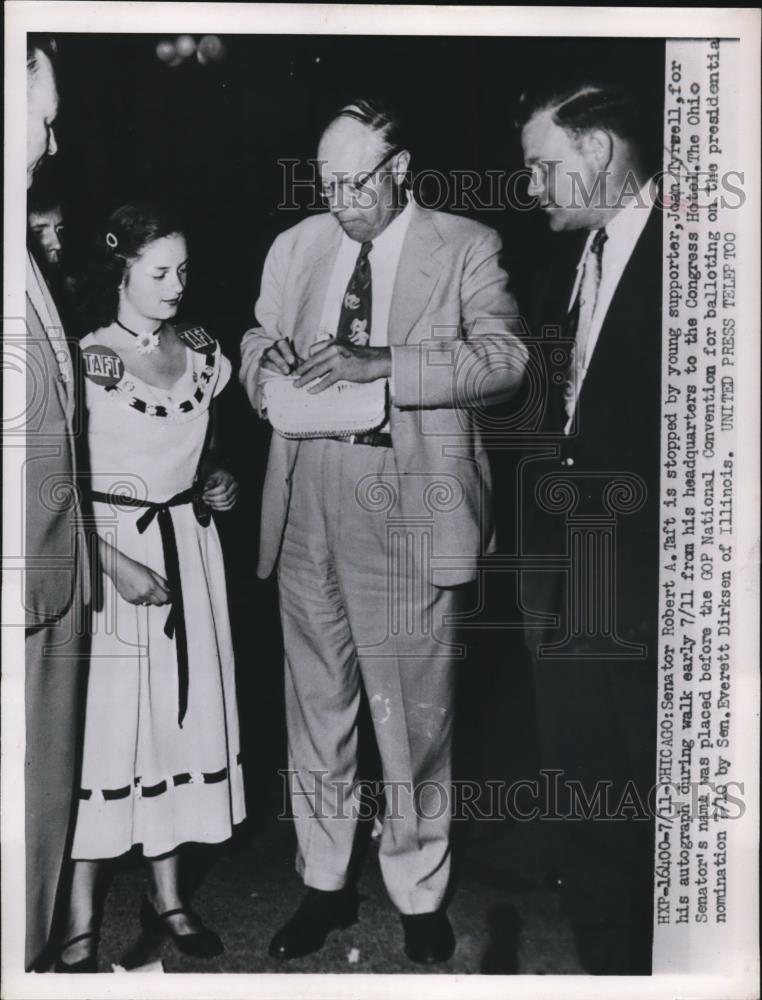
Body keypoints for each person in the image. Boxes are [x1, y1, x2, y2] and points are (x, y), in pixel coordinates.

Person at [240, 98, 527, 965]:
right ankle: (324, 884)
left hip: (403, 494)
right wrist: (268, 369)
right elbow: (254, 337)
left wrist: (386, 367)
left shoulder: (465, 245)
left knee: (412, 716)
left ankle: (418, 887)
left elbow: (507, 363)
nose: (340, 198)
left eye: (357, 180)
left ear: (401, 170)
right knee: (315, 706)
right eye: (327, 181)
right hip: (304, 488)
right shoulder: (297, 247)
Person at [55, 204, 245, 972]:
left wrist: (220, 481)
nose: (176, 286)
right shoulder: (83, 360)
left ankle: (169, 896)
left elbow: (209, 451)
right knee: (106, 738)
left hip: (190, 557)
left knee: (175, 722)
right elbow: (55, 488)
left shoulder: (203, 355)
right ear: (121, 270)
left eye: (184, 270)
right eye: (159, 271)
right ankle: (78, 917)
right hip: (111, 563)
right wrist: (112, 564)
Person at [516, 82, 662, 974]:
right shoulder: (577, 259)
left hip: (652, 572)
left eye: (543, 166)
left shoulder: (702, 255)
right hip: (579, 560)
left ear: (600, 153)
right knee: (588, 773)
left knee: (649, 781)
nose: (529, 187)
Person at [24, 34, 90, 973]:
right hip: (24, 590)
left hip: (51, 587)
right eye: (40, 114)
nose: (50, 138)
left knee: (43, 811)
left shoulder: (23, 250)